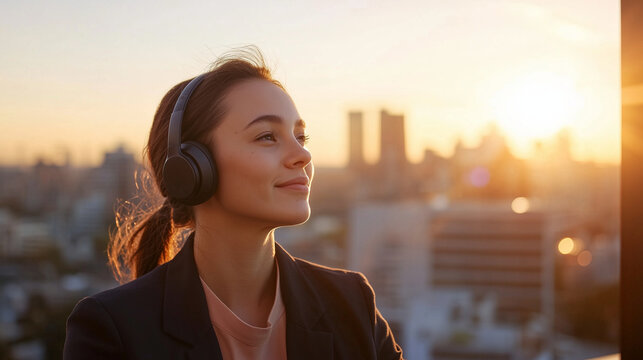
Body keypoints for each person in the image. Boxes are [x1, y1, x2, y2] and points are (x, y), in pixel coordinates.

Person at [63, 47, 404, 359]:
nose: (302, 155)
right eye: (267, 136)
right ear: (193, 168)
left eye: (300, 137)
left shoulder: (352, 304)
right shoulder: (113, 330)